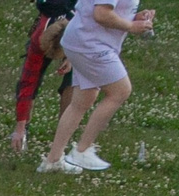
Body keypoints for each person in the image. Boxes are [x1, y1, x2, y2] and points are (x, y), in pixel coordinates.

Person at [42, 0, 153, 173]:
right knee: (120, 91)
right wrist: (131, 26)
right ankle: (82, 150)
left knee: (83, 100)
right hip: (90, 43)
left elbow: (107, 10)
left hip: (82, 41)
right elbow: (101, 13)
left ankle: (53, 160)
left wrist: (134, 18)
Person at [12, 0, 78, 157]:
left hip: (76, 33)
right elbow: (28, 82)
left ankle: (64, 134)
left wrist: (71, 58)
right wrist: (19, 126)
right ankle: (24, 130)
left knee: (74, 81)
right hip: (56, 20)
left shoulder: (82, 24)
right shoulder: (39, 39)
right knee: (31, 79)